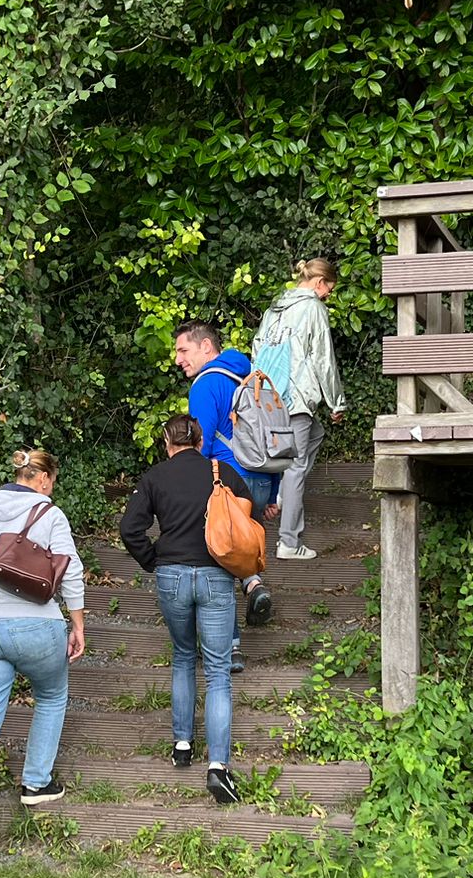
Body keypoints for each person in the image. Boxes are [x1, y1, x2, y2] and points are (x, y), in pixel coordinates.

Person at [0, 449, 86, 866]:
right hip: (34, 627)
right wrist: (77, 624)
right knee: (50, 695)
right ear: (42, 478)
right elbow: (71, 572)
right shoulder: (49, 515)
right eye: (52, 480)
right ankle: (36, 784)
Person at [119, 414, 251, 803]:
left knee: (181, 657)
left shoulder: (155, 478)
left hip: (172, 576)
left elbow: (130, 528)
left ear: (167, 442)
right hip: (215, 574)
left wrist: (154, 559)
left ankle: (181, 745)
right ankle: (218, 768)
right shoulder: (222, 471)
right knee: (218, 671)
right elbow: (248, 512)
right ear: (199, 440)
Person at [174, 320, 276, 656]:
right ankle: (253, 583)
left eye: (182, 350)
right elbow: (267, 431)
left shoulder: (205, 385)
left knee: (217, 555)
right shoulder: (249, 377)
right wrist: (272, 493)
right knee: (241, 545)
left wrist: (188, 482)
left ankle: (228, 646)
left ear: (206, 347)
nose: (178, 359)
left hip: (227, 478)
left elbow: (199, 443)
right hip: (261, 476)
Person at [253, 256, 347, 560]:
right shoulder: (313, 309)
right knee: (295, 468)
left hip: (269, 397)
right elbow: (323, 359)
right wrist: (337, 402)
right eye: (329, 289)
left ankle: (282, 492)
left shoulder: (275, 308)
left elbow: (256, 348)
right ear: (319, 283)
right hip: (295, 400)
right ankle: (289, 543)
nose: (328, 296)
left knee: (313, 437)